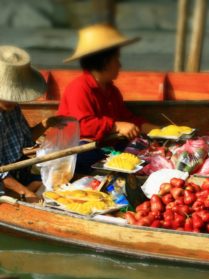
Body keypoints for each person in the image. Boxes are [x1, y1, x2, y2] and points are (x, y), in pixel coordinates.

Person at [58, 24, 157, 173]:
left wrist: (158, 130)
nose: (120, 65)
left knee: (146, 149)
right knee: (83, 157)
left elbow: (127, 120)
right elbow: (83, 126)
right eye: (116, 59)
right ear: (104, 62)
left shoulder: (112, 90)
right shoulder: (79, 87)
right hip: (81, 148)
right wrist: (116, 126)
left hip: (107, 146)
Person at [0, 45, 71, 199]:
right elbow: (1, 173)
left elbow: (25, 139)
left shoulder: (13, 108)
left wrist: (46, 123)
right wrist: (26, 193)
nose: (13, 100)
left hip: (18, 172)